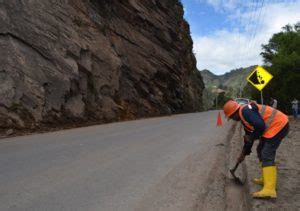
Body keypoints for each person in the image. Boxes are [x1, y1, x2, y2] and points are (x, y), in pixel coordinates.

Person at [223, 100, 289, 198]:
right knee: (260, 149)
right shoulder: (243, 118)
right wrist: (244, 153)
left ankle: (270, 189)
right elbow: (248, 138)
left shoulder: (246, 111)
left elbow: (260, 126)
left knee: (267, 153)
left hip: (279, 125)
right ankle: (265, 179)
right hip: (273, 127)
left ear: (235, 113)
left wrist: (252, 137)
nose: (232, 119)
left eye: (232, 117)